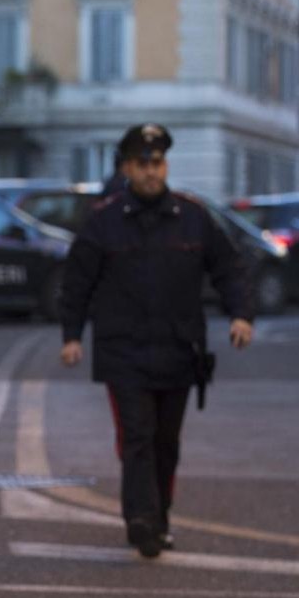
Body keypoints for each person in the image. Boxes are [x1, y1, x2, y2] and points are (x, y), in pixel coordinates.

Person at [57, 123, 254, 558]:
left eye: (158, 162)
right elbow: (77, 283)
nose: (152, 171)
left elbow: (229, 268)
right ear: (127, 167)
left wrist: (241, 314)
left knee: (167, 443)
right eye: (143, 164)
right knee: (137, 437)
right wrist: (71, 336)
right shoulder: (104, 221)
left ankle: (159, 517)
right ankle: (140, 519)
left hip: (178, 350)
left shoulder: (193, 217)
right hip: (123, 352)